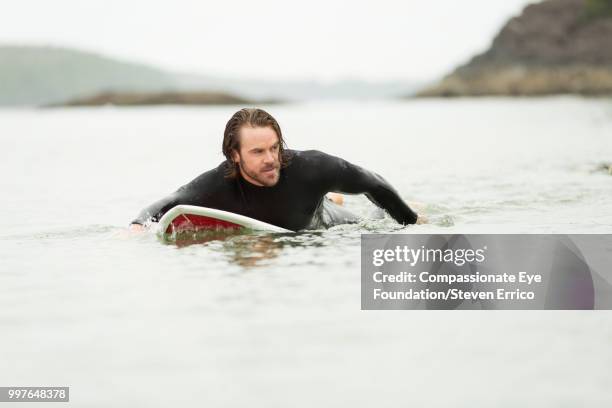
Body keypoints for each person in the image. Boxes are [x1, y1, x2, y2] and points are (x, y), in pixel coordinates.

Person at [130, 108, 425, 232]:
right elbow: (165, 205)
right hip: (276, 224)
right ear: (234, 155)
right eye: (257, 152)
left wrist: (410, 221)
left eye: (274, 147)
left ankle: (331, 201)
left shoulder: (311, 168)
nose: (271, 158)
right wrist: (135, 227)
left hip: (321, 224)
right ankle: (330, 198)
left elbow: (373, 183)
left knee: (367, 219)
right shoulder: (216, 185)